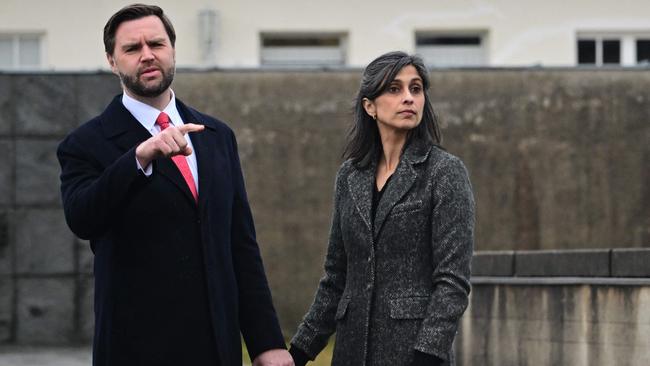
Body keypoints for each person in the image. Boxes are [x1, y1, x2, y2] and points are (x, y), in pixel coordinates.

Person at [57, 4, 293, 366]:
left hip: (217, 346)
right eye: (132, 49)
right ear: (112, 60)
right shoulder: (86, 143)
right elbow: (82, 218)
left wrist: (266, 342)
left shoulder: (217, 136)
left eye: (156, 43)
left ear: (173, 49)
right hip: (136, 349)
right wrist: (139, 158)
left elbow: (240, 245)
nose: (147, 55)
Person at [288, 51, 475, 366]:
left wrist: (427, 355)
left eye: (416, 89)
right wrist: (298, 353)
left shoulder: (444, 172)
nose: (408, 98)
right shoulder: (350, 176)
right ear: (369, 106)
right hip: (351, 353)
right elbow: (336, 277)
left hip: (413, 354)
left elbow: (452, 281)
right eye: (394, 89)